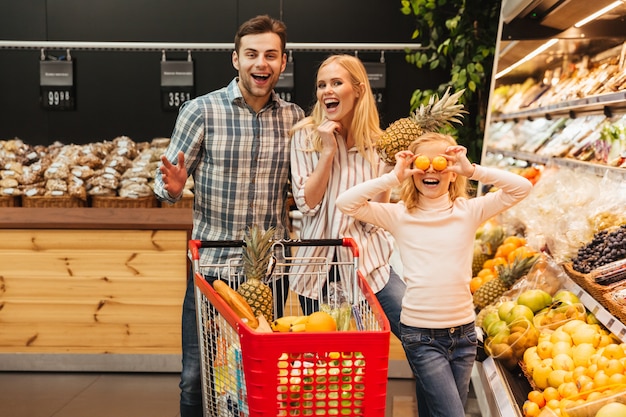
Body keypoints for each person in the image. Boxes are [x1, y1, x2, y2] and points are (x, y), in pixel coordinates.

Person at [153, 15, 304, 417]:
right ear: (235, 59)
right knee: (195, 377)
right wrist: (172, 188)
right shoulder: (200, 111)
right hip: (212, 270)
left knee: (255, 375)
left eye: (271, 55)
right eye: (252, 54)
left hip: (269, 271)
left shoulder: (294, 119)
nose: (262, 63)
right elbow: (162, 183)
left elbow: (303, 189)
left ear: (283, 62)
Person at [336, 132, 532, 417]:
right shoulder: (401, 214)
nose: (430, 169)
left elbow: (522, 187)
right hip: (421, 337)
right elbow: (346, 203)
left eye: (440, 163)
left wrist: (472, 169)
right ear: (413, 172)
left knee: (436, 410)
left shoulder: (468, 211)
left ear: (452, 174)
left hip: (464, 336)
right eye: (422, 163)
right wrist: (394, 176)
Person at [289, 54, 405, 338]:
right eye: (321, 85)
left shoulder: (378, 145)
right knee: (331, 361)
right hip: (316, 268)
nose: (326, 91)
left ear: (358, 90)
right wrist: (328, 151)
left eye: (336, 83)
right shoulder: (306, 137)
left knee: (414, 331)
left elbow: (378, 218)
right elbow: (307, 203)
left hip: (369, 264)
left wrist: (389, 175)